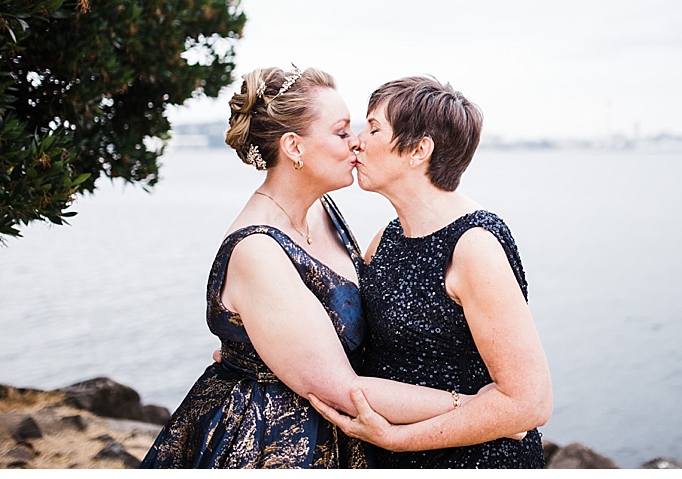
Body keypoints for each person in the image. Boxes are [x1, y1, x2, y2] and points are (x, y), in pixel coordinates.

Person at [141, 66, 491, 469]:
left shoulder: (324, 211)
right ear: (293, 147)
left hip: (340, 435)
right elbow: (344, 390)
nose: (356, 142)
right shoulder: (257, 249)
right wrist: (476, 408)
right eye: (341, 132)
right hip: (272, 445)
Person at [309, 76, 553, 468]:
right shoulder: (386, 239)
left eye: (373, 128)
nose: (357, 140)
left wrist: (397, 439)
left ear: (419, 150)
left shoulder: (474, 247)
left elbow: (530, 404)